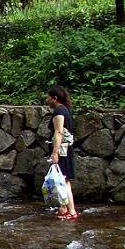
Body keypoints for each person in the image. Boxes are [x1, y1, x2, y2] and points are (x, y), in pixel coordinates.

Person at [46, 85, 79, 220]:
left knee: (62, 181)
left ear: (55, 98)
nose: (47, 100)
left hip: (62, 151)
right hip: (67, 149)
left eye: (48, 97)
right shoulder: (65, 110)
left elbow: (59, 132)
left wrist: (55, 153)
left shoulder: (59, 112)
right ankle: (65, 208)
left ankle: (71, 211)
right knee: (63, 181)